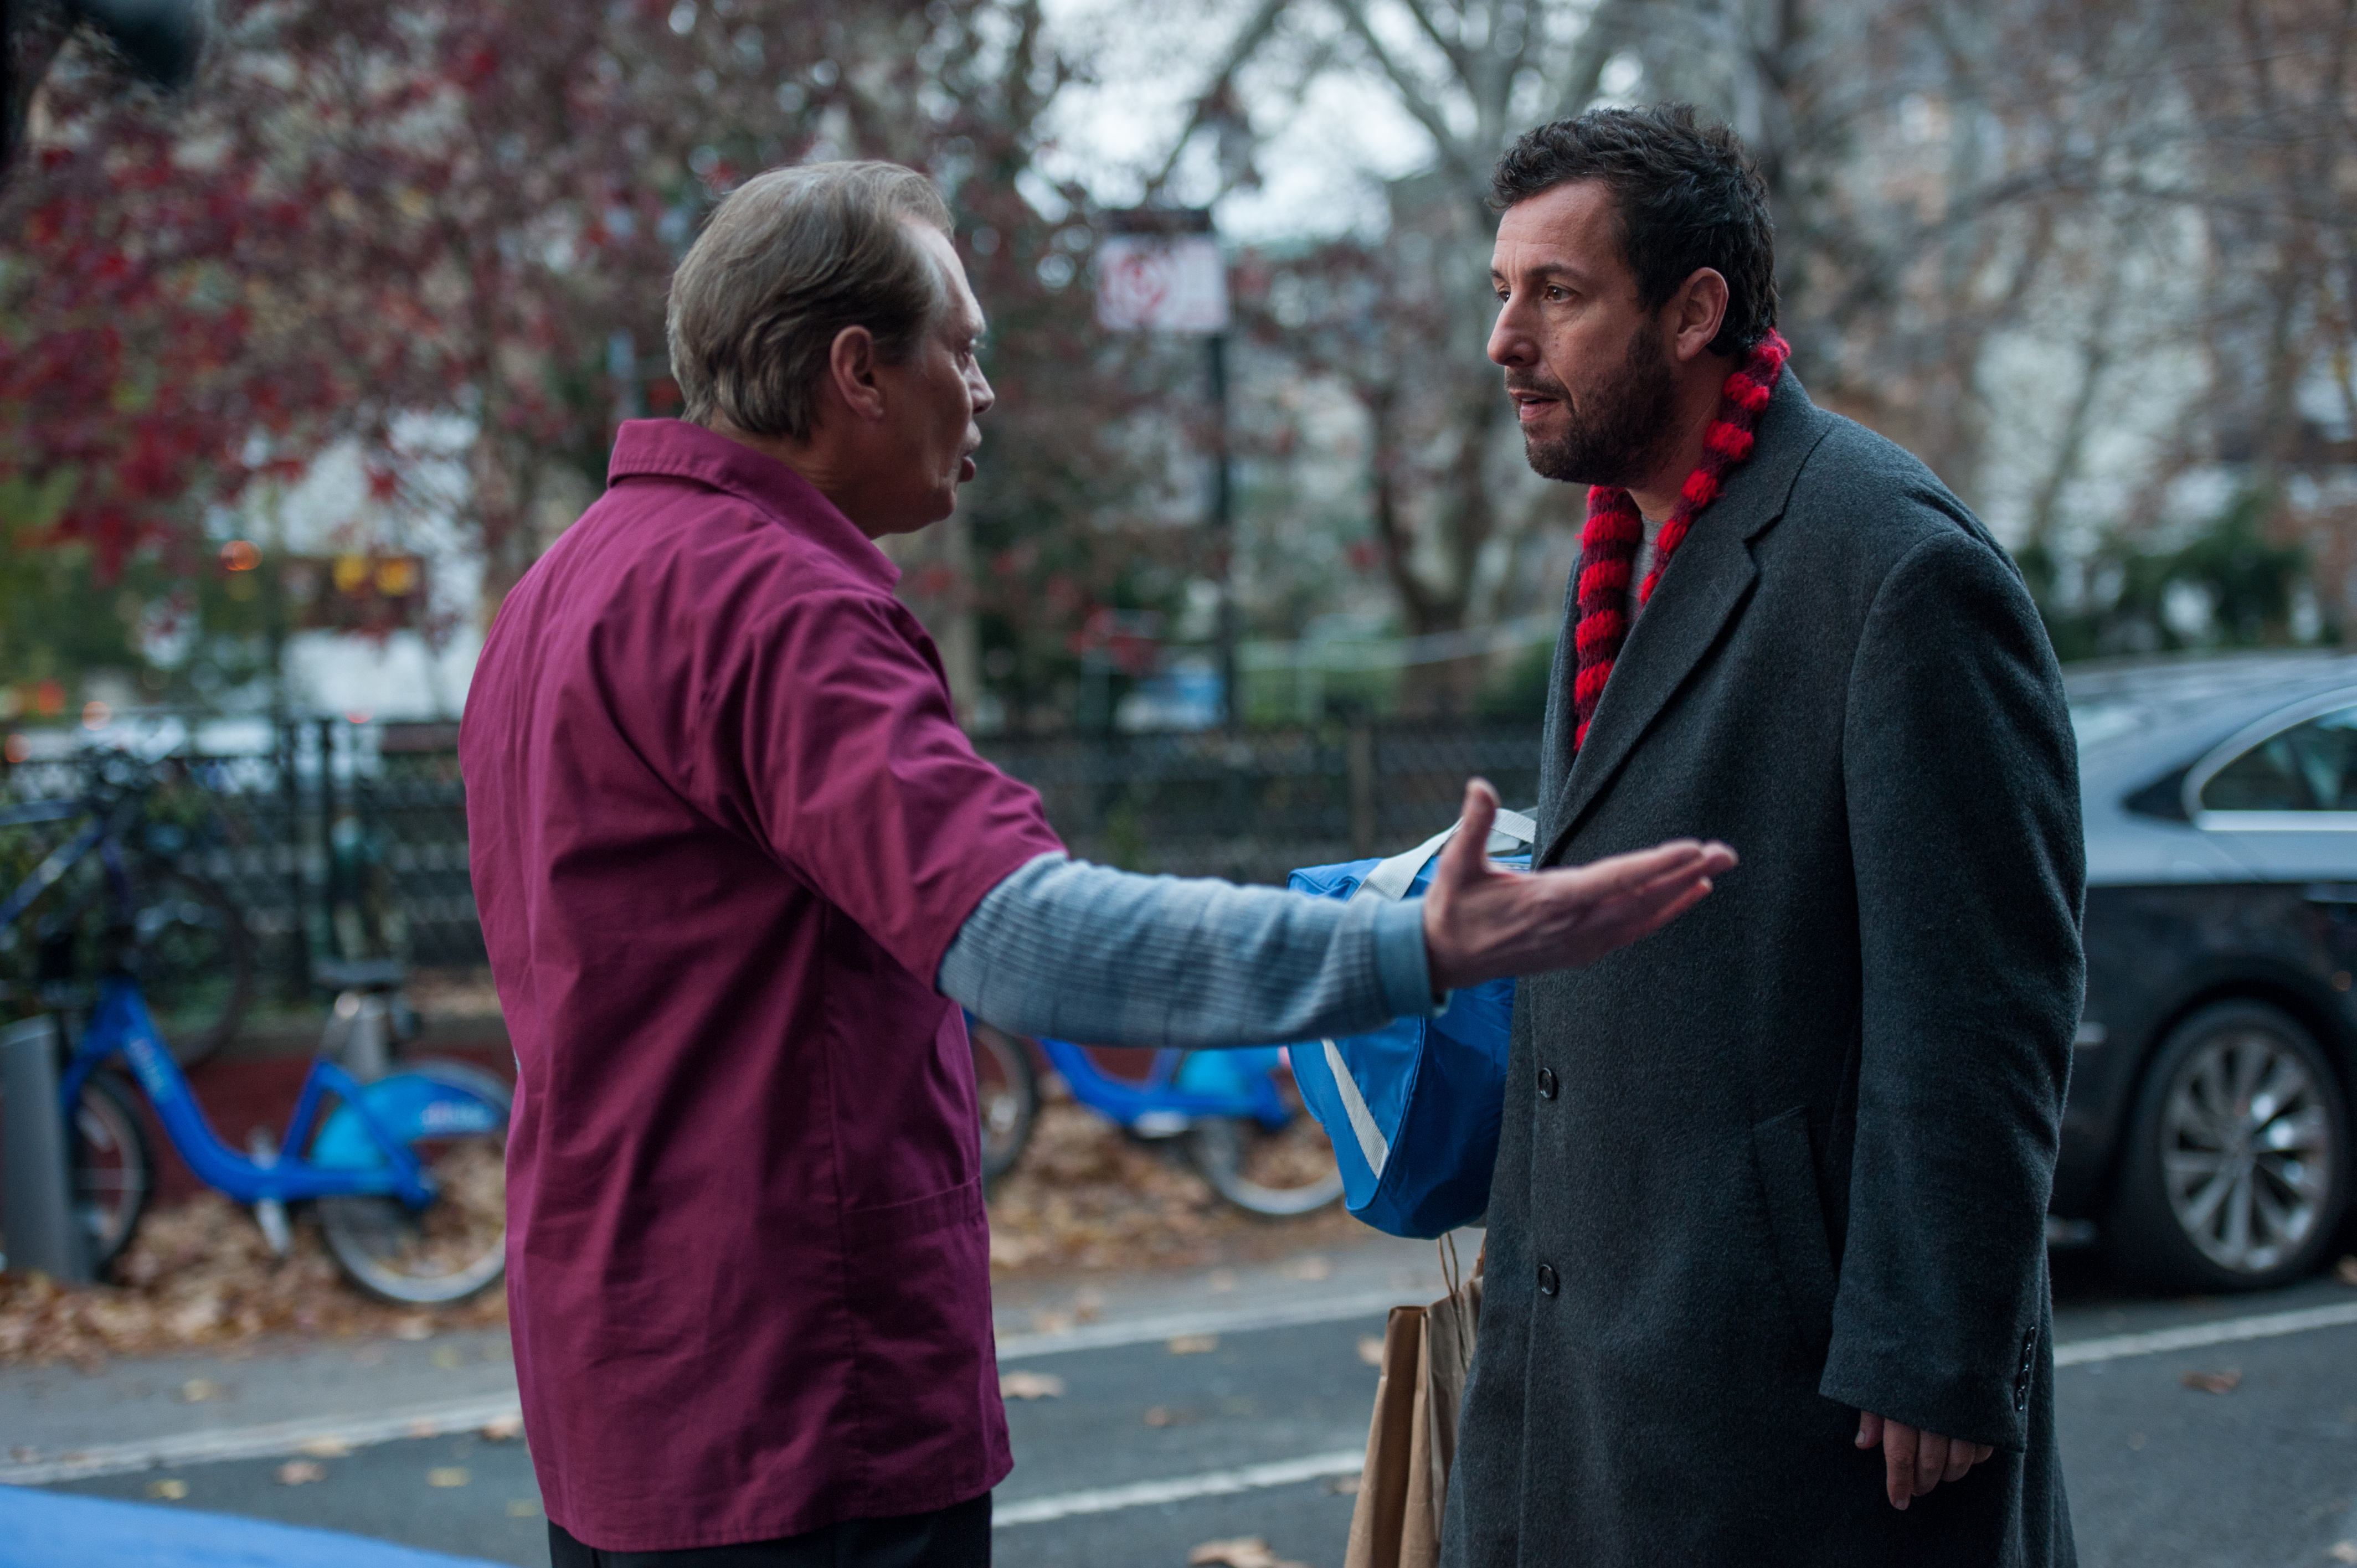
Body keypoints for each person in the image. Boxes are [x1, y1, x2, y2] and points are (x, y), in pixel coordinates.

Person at [459, 159, 1736, 1568]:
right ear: (854, 373)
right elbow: (1024, 935)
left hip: (625, 1389)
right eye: (963, 347)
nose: (984, 389)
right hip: (800, 1408)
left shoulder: (572, 578)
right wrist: (1410, 948)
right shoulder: (774, 604)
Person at [1442, 105, 2085, 1566]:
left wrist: (1938, 1340)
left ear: (1695, 312)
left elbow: (1987, 999)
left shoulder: (1900, 566)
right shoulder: (1626, 540)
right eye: (1500, 292)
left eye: (1557, 294)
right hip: (1594, 1370)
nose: (1505, 341)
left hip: (1797, 1411)